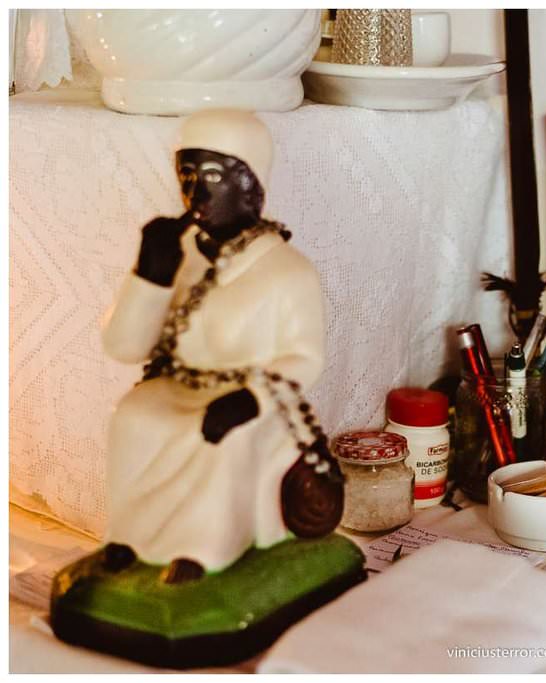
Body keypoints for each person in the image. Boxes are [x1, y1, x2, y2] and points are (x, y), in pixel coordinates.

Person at [100, 110, 341, 583]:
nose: (196, 193)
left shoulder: (288, 272)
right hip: (182, 382)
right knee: (133, 416)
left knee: (216, 435)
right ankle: (131, 538)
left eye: (214, 176)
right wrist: (149, 275)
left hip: (250, 395)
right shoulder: (181, 256)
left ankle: (206, 548)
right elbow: (124, 348)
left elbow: (304, 356)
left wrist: (248, 400)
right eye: (187, 176)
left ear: (251, 184)